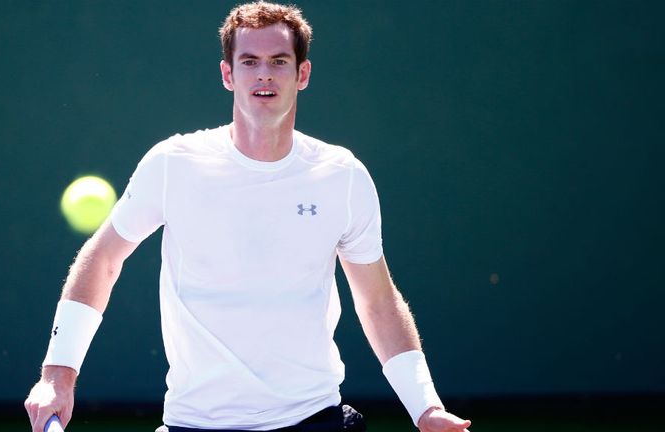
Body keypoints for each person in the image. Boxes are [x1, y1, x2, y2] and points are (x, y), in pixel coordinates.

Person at [25, 2, 472, 432]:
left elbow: (377, 300)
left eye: (279, 61)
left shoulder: (343, 176)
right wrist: (57, 375)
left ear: (302, 74)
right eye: (250, 61)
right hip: (197, 423)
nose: (264, 75)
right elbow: (102, 260)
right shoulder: (173, 164)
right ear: (228, 74)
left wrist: (425, 406)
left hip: (312, 418)